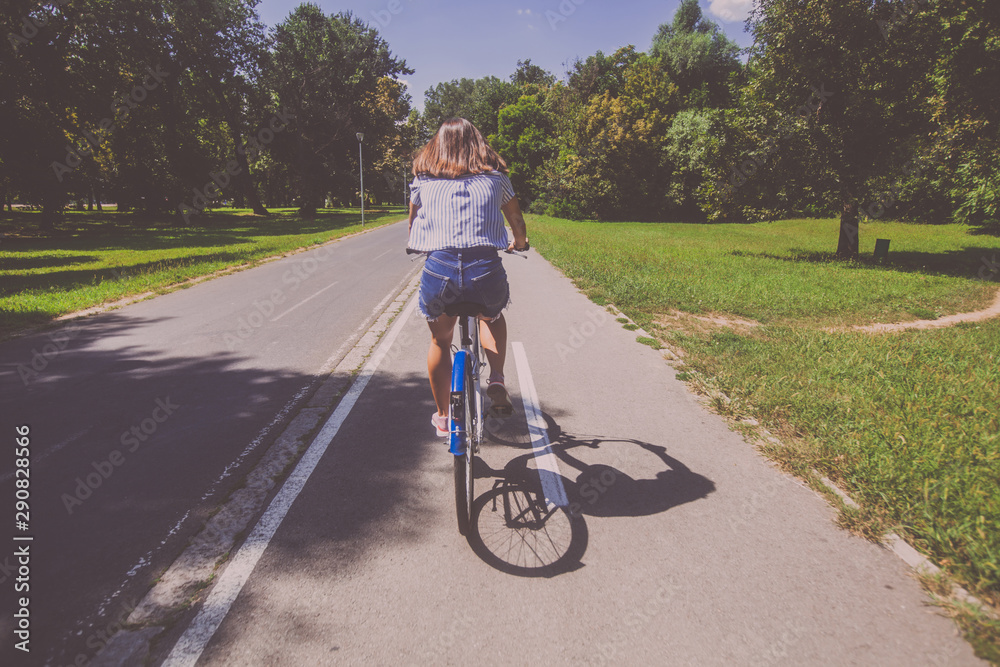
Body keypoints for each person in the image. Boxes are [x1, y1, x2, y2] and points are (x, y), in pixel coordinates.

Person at [407, 117, 529, 436]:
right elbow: (515, 218)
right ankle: (497, 378)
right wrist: (519, 241)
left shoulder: (424, 179)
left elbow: (413, 224)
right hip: (484, 270)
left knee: (440, 339)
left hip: (440, 270)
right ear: (478, 144)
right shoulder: (496, 179)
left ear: (437, 146)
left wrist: (418, 242)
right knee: (491, 315)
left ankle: (444, 417)